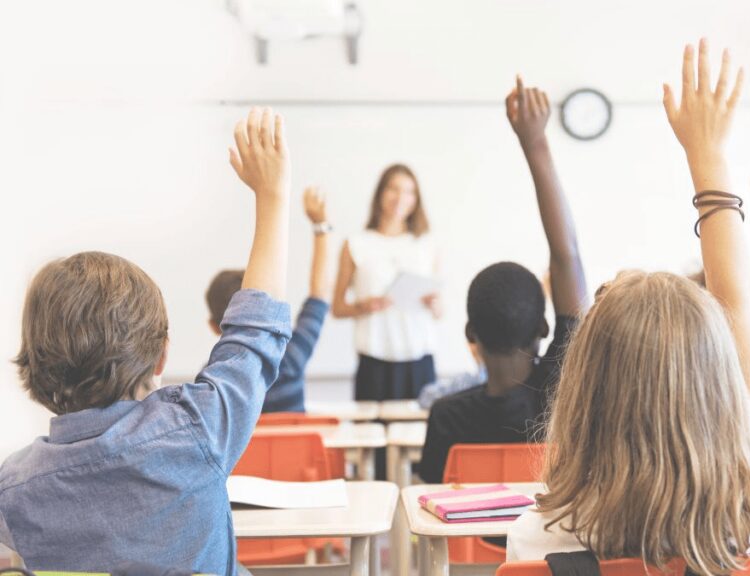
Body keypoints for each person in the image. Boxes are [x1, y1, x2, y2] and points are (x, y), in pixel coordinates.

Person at [506, 40, 750, 576]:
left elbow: (735, 309)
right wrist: (709, 157)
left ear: (584, 385)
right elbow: (738, 307)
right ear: (716, 376)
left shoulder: (540, 536)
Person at [0, 108, 294, 575]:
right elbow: (255, 332)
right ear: (161, 354)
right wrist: (273, 196)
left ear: (37, 359)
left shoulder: (14, 490)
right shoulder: (197, 429)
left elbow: (254, 332)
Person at [418, 75, 589, 484]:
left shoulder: (446, 416)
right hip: (548, 550)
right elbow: (567, 256)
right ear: (544, 328)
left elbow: (430, 510)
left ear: (470, 334)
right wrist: (535, 143)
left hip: (471, 552)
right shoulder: (561, 399)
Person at [205, 186, 333, 413]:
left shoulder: (212, 380)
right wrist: (320, 226)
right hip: (295, 450)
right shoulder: (291, 359)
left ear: (214, 326)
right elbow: (320, 295)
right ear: (263, 310)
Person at [331, 164, 441, 401]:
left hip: (419, 360)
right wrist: (364, 306)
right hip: (375, 362)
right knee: (370, 434)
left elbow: (439, 311)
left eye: (409, 191)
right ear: (381, 193)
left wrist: (434, 304)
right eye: (393, 189)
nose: (401, 197)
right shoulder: (356, 244)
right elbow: (337, 308)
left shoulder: (425, 244)